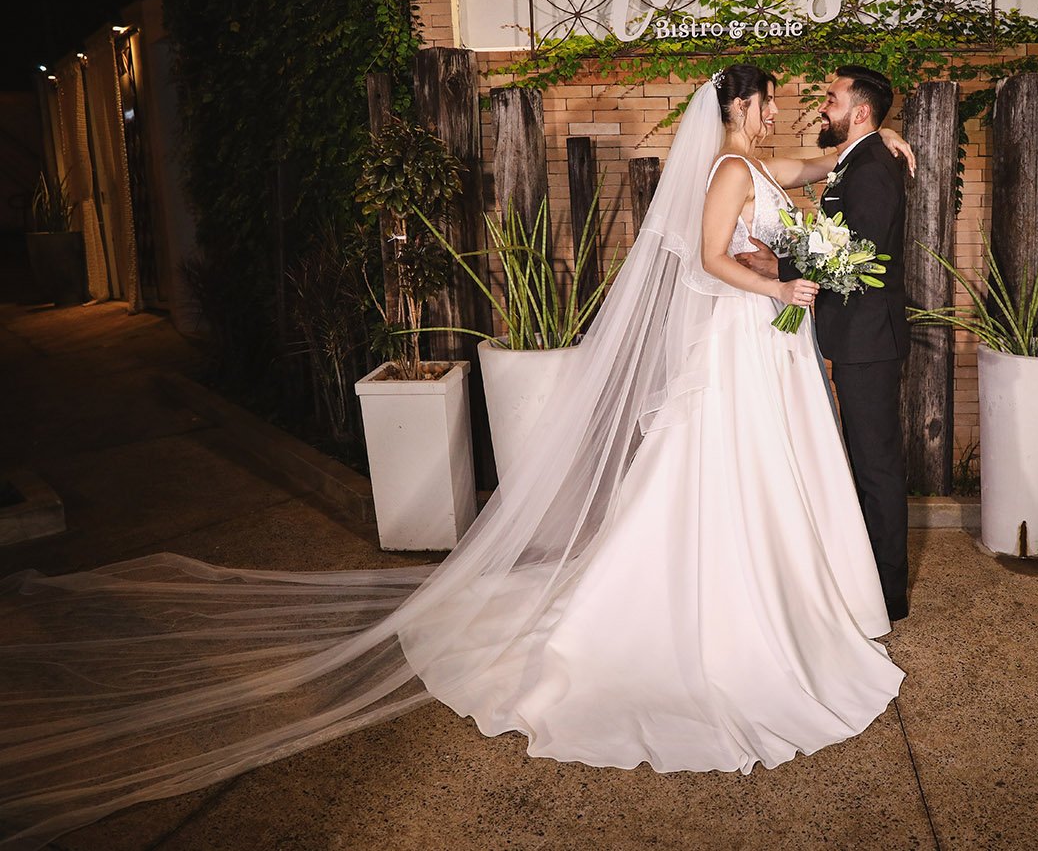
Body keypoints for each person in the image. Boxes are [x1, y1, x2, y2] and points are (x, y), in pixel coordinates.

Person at [0, 65, 915, 848]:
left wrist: (880, 143)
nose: (784, 111)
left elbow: (816, 165)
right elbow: (711, 259)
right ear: (741, 107)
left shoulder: (759, 163)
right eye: (770, 101)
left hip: (764, 346)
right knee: (720, 476)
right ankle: (708, 606)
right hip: (744, 336)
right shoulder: (725, 169)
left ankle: (779, 590)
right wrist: (776, 285)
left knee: (768, 473)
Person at [737, 65, 912, 622]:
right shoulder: (856, 159)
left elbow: (858, 253)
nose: (821, 106)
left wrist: (778, 266)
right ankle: (867, 576)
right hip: (853, 335)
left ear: (858, 111)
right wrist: (883, 133)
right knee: (863, 457)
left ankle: (888, 593)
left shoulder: (872, 168)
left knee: (876, 464)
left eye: (831, 99)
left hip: (869, 339)